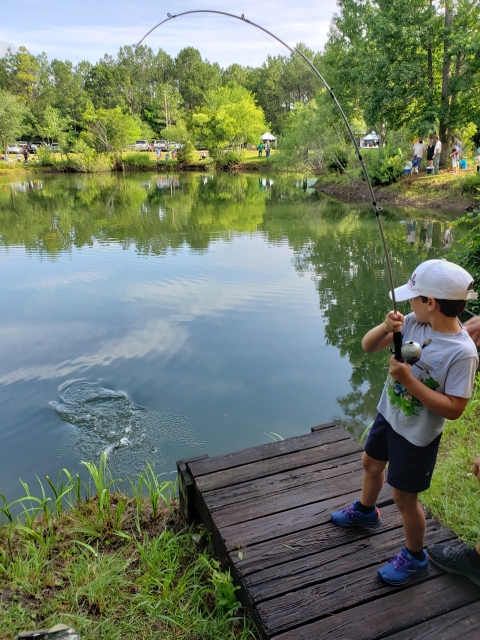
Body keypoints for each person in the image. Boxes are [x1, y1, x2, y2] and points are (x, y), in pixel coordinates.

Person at [331, 259, 478, 586]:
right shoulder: (412, 322)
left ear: (431, 303)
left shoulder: (463, 353)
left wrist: (409, 382)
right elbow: (367, 346)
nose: (408, 303)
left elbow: (455, 409)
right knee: (370, 462)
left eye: (414, 297)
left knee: (404, 498)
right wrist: (385, 328)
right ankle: (366, 512)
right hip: (389, 416)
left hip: (418, 436)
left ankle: (415, 557)